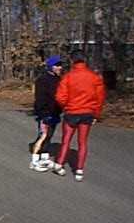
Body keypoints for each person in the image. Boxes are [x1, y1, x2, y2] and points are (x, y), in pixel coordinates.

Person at [52, 50, 106, 182]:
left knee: (66, 140)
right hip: (87, 113)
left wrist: (66, 106)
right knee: (82, 142)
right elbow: (100, 98)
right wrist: (96, 115)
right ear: (85, 60)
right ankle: (79, 170)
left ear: (72, 60)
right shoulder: (94, 77)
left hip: (72, 112)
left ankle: (59, 164)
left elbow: (60, 97)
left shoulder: (68, 77)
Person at [29, 55, 63, 172]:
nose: (60, 67)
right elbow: (40, 99)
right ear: (50, 67)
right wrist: (43, 113)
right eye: (57, 65)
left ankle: (44, 158)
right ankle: (34, 161)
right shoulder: (42, 80)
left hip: (55, 113)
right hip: (45, 113)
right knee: (43, 136)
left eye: (60, 65)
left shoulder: (59, 80)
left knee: (49, 135)